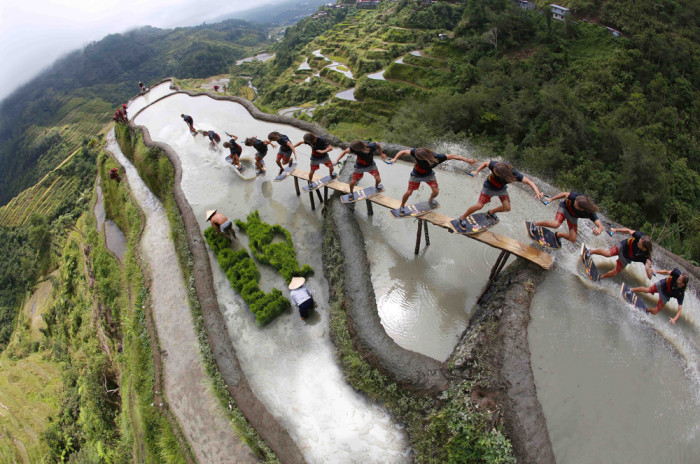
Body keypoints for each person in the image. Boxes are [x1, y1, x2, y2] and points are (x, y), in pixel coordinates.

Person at [390, 147, 476, 216]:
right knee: (409, 192)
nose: (415, 157)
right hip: (416, 175)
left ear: (423, 157)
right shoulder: (416, 152)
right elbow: (403, 151)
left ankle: (430, 200)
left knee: (436, 192)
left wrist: (468, 160)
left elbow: (454, 156)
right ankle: (402, 206)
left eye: (417, 157)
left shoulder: (438, 157)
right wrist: (394, 159)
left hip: (429, 175)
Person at [459, 161, 543, 226]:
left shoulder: (515, 174)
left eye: (495, 172)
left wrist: (537, 192)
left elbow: (529, 181)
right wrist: (476, 171)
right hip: (488, 187)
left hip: (501, 189)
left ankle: (491, 212)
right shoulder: (496, 165)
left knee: (507, 208)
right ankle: (462, 218)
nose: (493, 171)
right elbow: (485, 163)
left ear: (502, 174)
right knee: (479, 206)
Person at [534, 192, 603, 245]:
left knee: (573, 239)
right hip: (564, 208)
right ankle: (536, 224)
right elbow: (564, 194)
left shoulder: (590, 213)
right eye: (574, 201)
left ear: (581, 209)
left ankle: (558, 235)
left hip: (573, 216)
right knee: (556, 224)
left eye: (575, 204)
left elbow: (600, 226)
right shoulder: (576, 197)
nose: (574, 202)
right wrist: (551, 199)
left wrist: (598, 231)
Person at [587, 228, 653, 279]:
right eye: (639, 241)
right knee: (608, 254)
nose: (638, 242)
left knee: (615, 272)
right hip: (623, 246)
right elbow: (628, 230)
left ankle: (600, 277)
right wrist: (615, 230)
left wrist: (648, 268)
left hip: (627, 257)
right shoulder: (640, 236)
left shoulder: (646, 257)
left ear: (644, 249)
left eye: (640, 244)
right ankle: (590, 252)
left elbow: (650, 277)